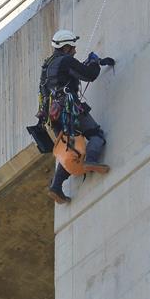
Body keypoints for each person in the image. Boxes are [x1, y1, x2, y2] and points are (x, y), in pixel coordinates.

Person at [38, 29, 116, 204]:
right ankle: (91, 160)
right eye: (72, 47)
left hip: (53, 115)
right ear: (65, 48)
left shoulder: (48, 65)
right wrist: (95, 62)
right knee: (96, 135)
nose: (75, 50)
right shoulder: (66, 60)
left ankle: (56, 186)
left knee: (71, 149)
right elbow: (89, 75)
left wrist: (95, 62)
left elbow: (73, 71)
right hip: (69, 110)